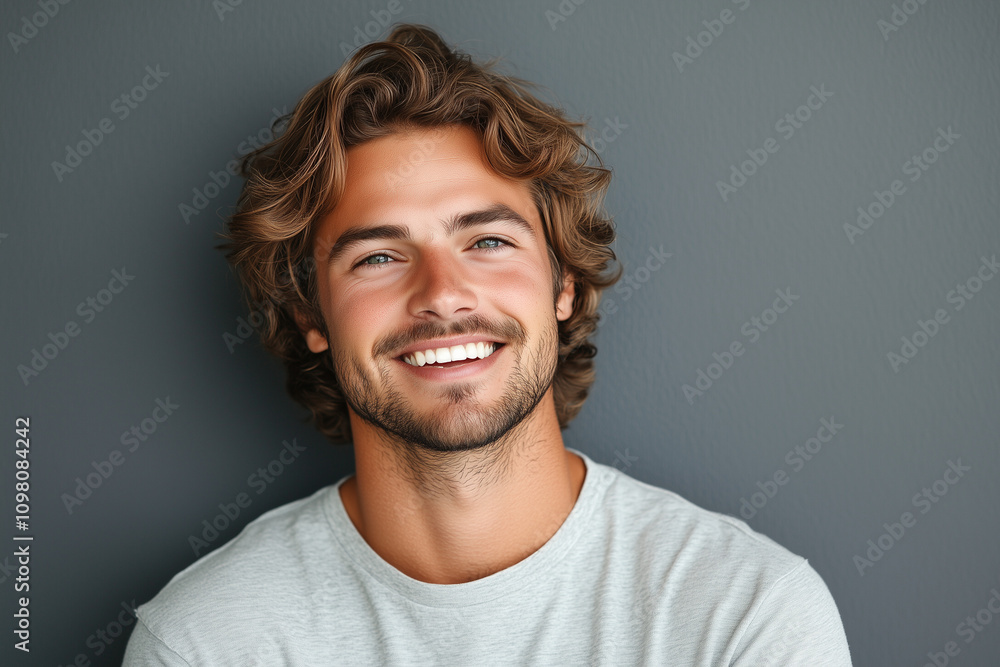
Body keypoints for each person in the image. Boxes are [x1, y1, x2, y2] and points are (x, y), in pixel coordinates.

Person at [124, 24, 852, 665]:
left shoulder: (746, 617)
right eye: (378, 256)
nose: (442, 292)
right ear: (311, 312)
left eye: (489, 240)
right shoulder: (209, 643)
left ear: (562, 282)